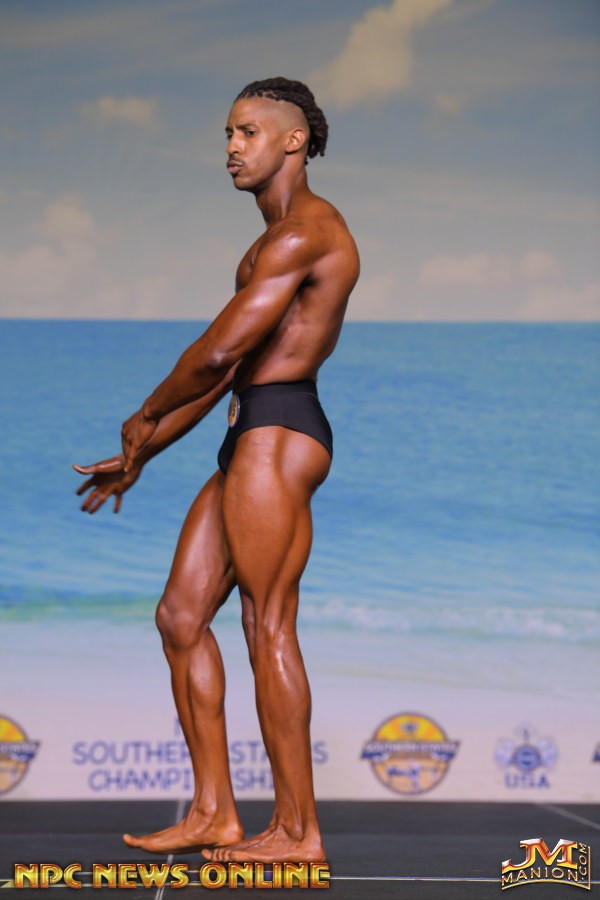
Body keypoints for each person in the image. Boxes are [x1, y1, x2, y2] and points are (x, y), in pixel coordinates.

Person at [75, 77, 360, 864]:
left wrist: (143, 413)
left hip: (280, 431)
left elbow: (217, 353)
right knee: (180, 617)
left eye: (246, 132)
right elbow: (228, 375)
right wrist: (143, 451)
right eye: (227, 135)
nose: (231, 148)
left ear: (294, 140)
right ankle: (214, 813)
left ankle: (298, 833)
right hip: (248, 431)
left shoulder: (306, 232)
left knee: (268, 623)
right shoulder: (270, 243)